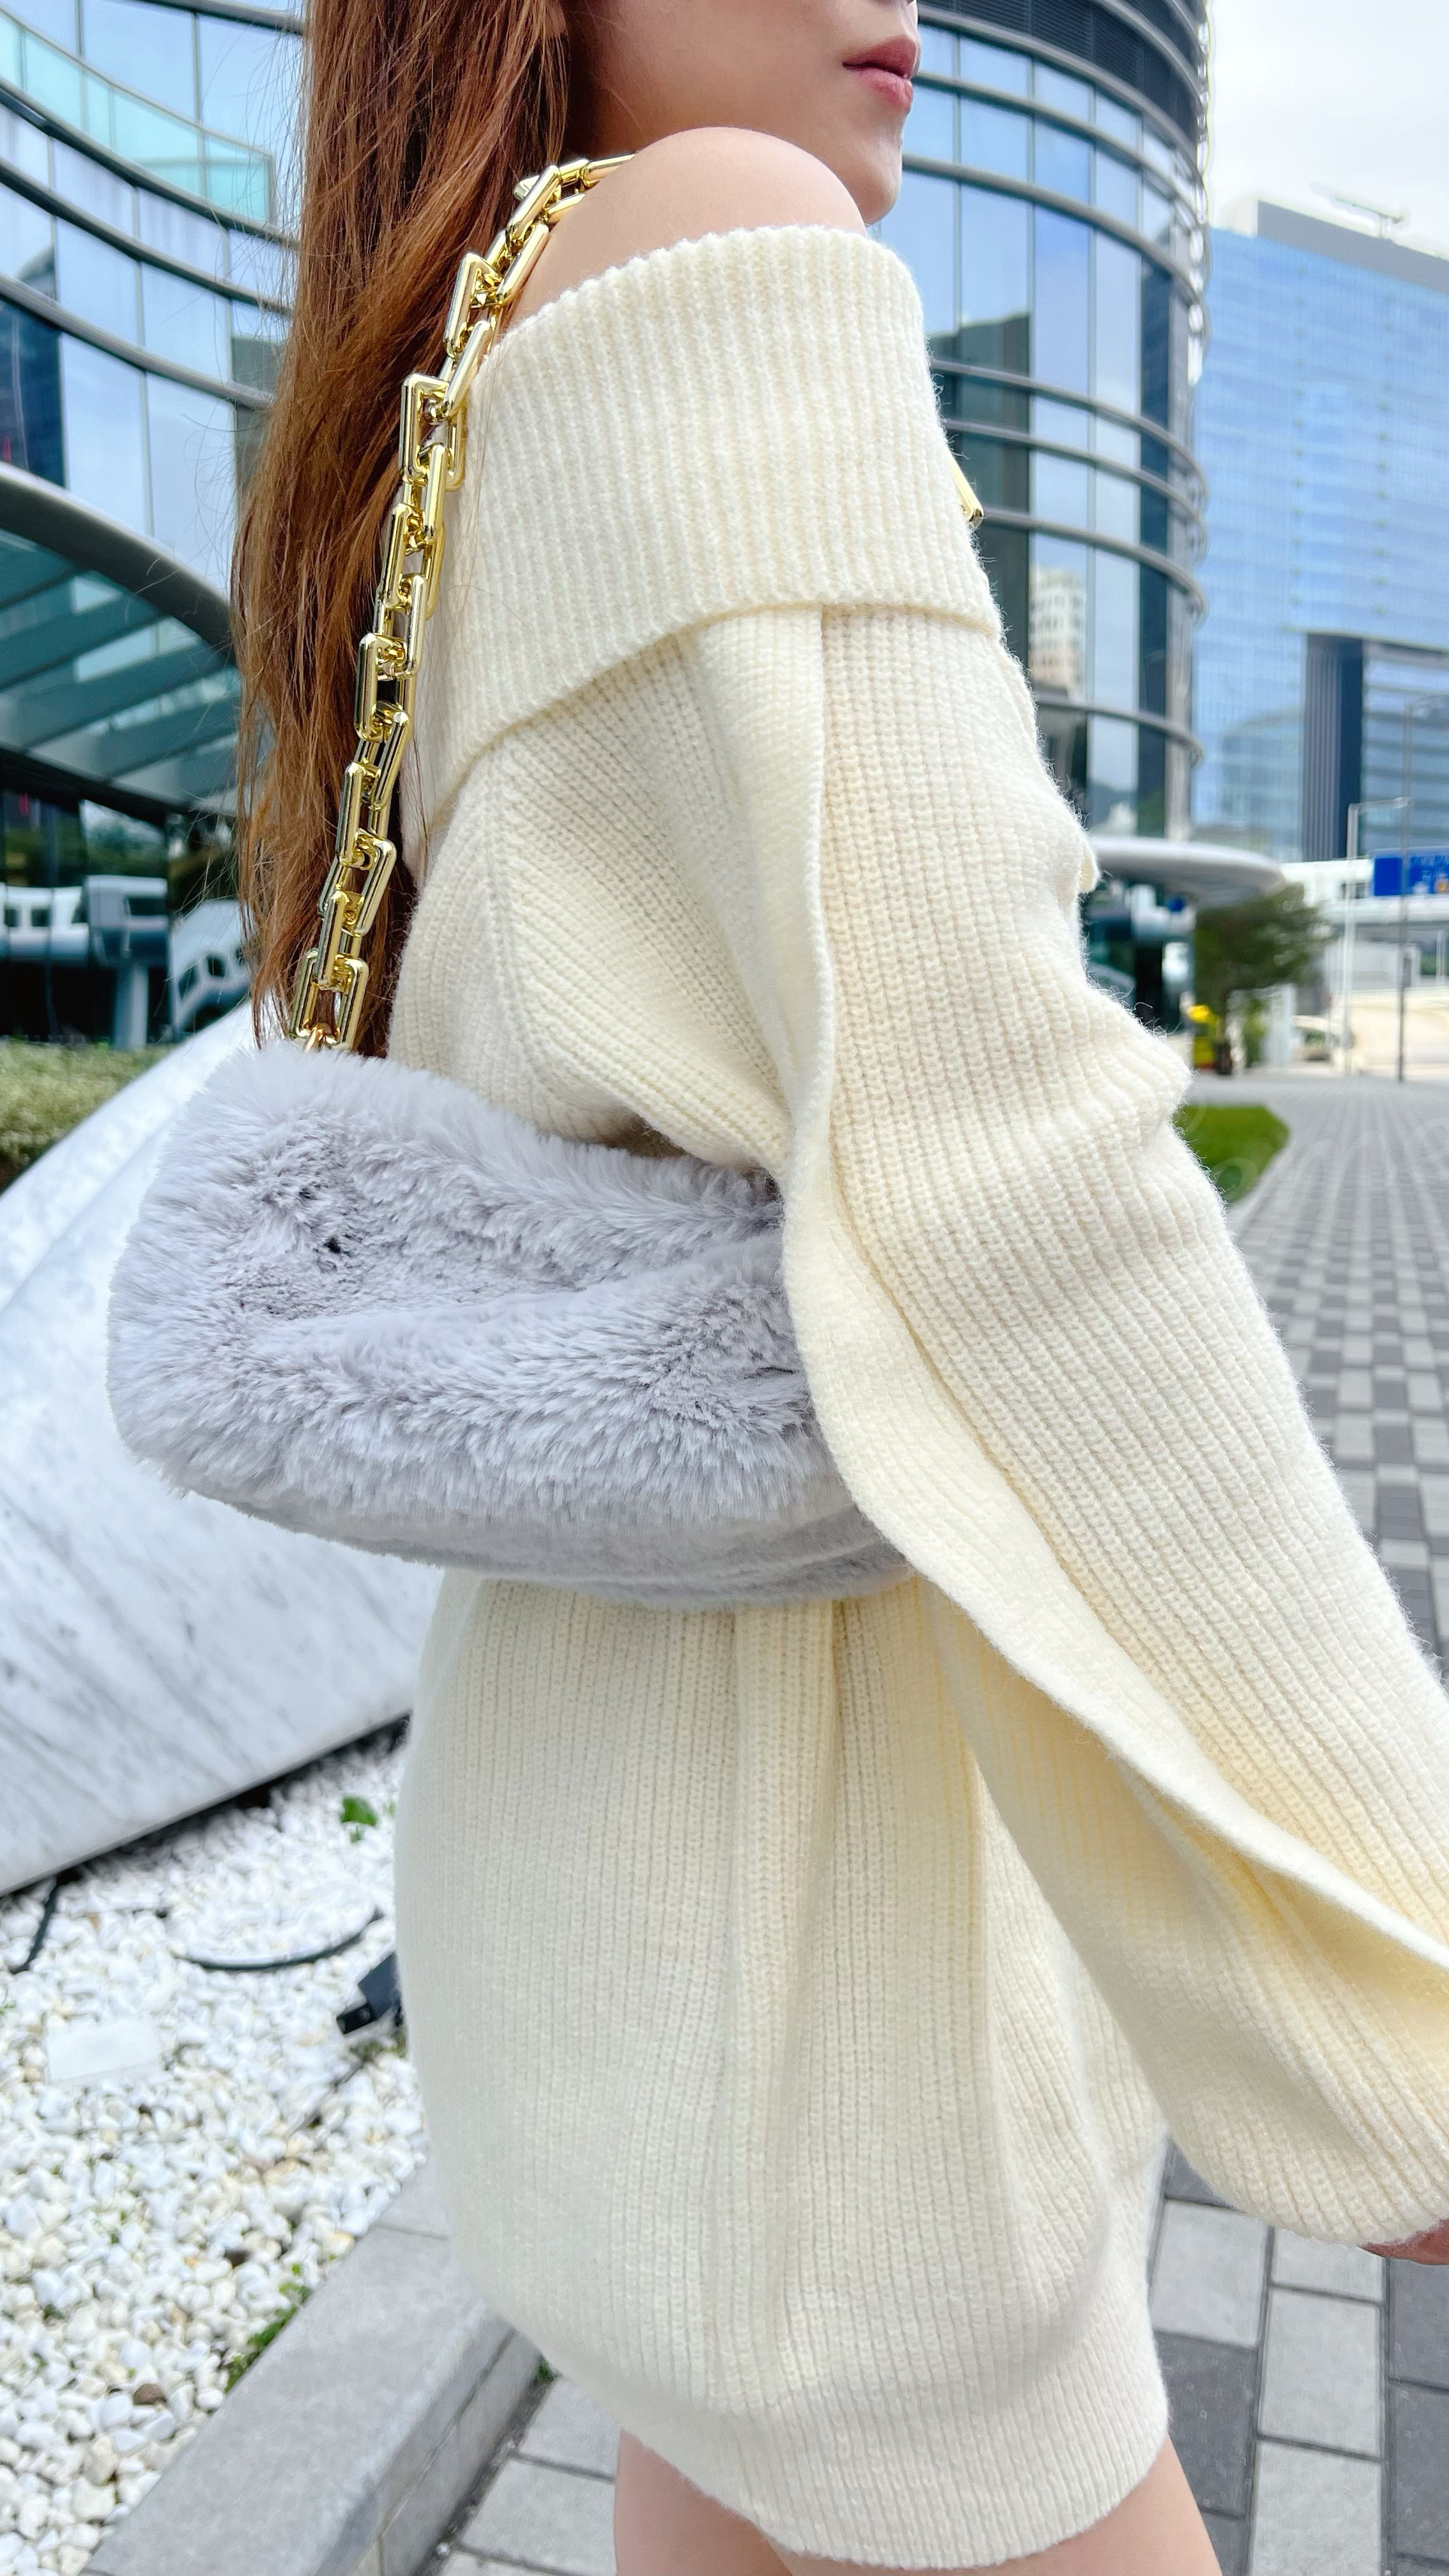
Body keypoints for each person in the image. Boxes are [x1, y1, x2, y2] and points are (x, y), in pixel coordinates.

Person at [234, 4, 1449, 2570]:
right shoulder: (720, 250)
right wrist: (1399, 1981)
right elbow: (1008, 1179)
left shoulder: (447, 373)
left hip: (602, 1888)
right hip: (839, 1973)